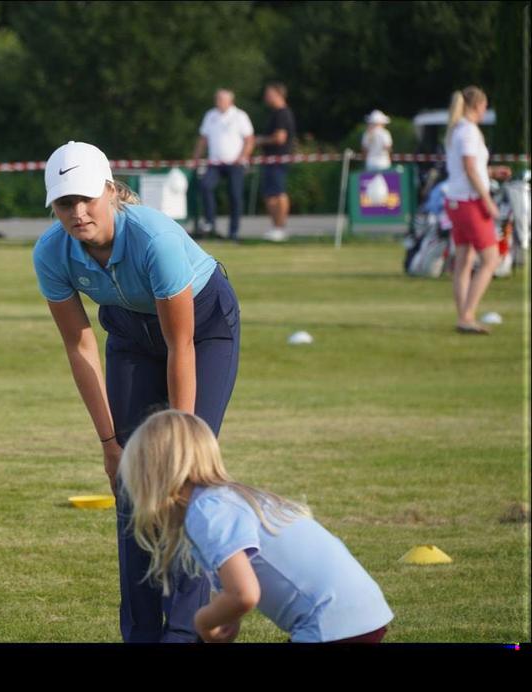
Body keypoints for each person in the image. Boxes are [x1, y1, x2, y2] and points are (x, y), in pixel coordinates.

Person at [33, 141, 241, 643]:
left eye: (86, 198)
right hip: (128, 335)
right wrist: (109, 444)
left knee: (184, 480)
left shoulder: (154, 239)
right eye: (64, 203)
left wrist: (182, 442)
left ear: (109, 191)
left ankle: (187, 631)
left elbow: (181, 344)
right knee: (131, 479)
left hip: (203, 329)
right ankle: (142, 633)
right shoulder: (50, 253)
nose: (78, 212)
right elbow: (80, 346)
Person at [118, 409, 394, 643]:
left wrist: (203, 620)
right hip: (364, 610)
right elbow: (237, 587)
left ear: (153, 475)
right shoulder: (229, 498)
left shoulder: (207, 510)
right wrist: (228, 615)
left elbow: (245, 594)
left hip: (330, 622)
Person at [443, 86, 512, 334]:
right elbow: (470, 168)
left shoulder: (456, 130)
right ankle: (468, 315)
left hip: (455, 201)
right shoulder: (470, 132)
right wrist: (487, 201)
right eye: (484, 106)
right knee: (491, 260)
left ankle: (463, 313)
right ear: (477, 105)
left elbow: (467, 168)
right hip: (470, 202)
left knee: (464, 259)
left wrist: (492, 172)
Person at [192, 89, 255, 241]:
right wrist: (195, 157)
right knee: (205, 186)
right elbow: (203, 138)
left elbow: (249, 140)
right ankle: (210, 223)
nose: (218, 101)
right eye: (217, 99)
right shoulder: (210, 115)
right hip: (215, 162)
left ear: (230, 101)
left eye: (221, 99)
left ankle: (234, 232)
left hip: (235, 163)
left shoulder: (240, 116)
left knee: (235, 195)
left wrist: (242, 157)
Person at [255, 82, 296, 242]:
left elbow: (280, 138)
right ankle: (276, 228)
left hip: (278, 159)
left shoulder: (282, 114)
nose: (266, 97)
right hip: (272, 160)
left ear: (278, 94)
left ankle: (280, 228)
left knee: (278, 193)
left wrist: (260, 140)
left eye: (268, 94)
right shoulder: (276, 113)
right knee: (270, 194)